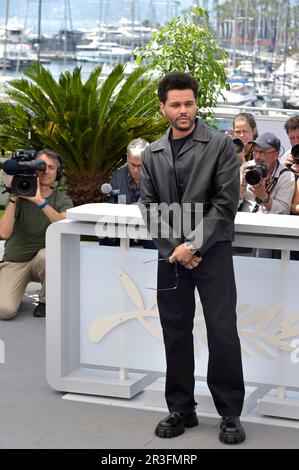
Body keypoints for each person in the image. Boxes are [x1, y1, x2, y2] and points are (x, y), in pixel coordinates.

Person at [139, 72, 245, 444]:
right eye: (176, 104)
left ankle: (230, 413)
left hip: (212, 253)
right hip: (171, 257)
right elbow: (148, 206)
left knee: (222, 332)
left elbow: (225, 203)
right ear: (163, 107)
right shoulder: (152, 153)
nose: (184, 110)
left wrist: (193, 246)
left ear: (196, 104)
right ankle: (181, 408)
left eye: (189, 103)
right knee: (175, 331)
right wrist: (175, 250)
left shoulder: (220, 145)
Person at [0, 149, 73, 320]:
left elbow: (64, 226)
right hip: (16, 261)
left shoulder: (61, 199)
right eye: (41, 166)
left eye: (51, 167)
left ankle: (46, 300)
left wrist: (40, 202)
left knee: (48, 255)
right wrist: (13, 197)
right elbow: (4, 233)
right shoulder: (17, 193)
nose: (46, 171)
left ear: (58, 172)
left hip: (44, 261)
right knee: (5, 311)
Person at [239, 132, 295, 214]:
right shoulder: (246, 168)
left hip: (270, 224)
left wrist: (265, 198)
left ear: (276, 155)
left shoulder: (286, 176)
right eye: (254, 151)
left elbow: (284, 212)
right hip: (244, 221)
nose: (257, 157)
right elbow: (232, 205)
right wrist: (242, 186)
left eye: (262, 152)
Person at [108, 138, 150, 204]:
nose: (135, 170)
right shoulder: (117, 178)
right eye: (132, 165)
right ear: (127, 159)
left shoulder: (159, 178)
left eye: (140, 166)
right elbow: (113, 204)